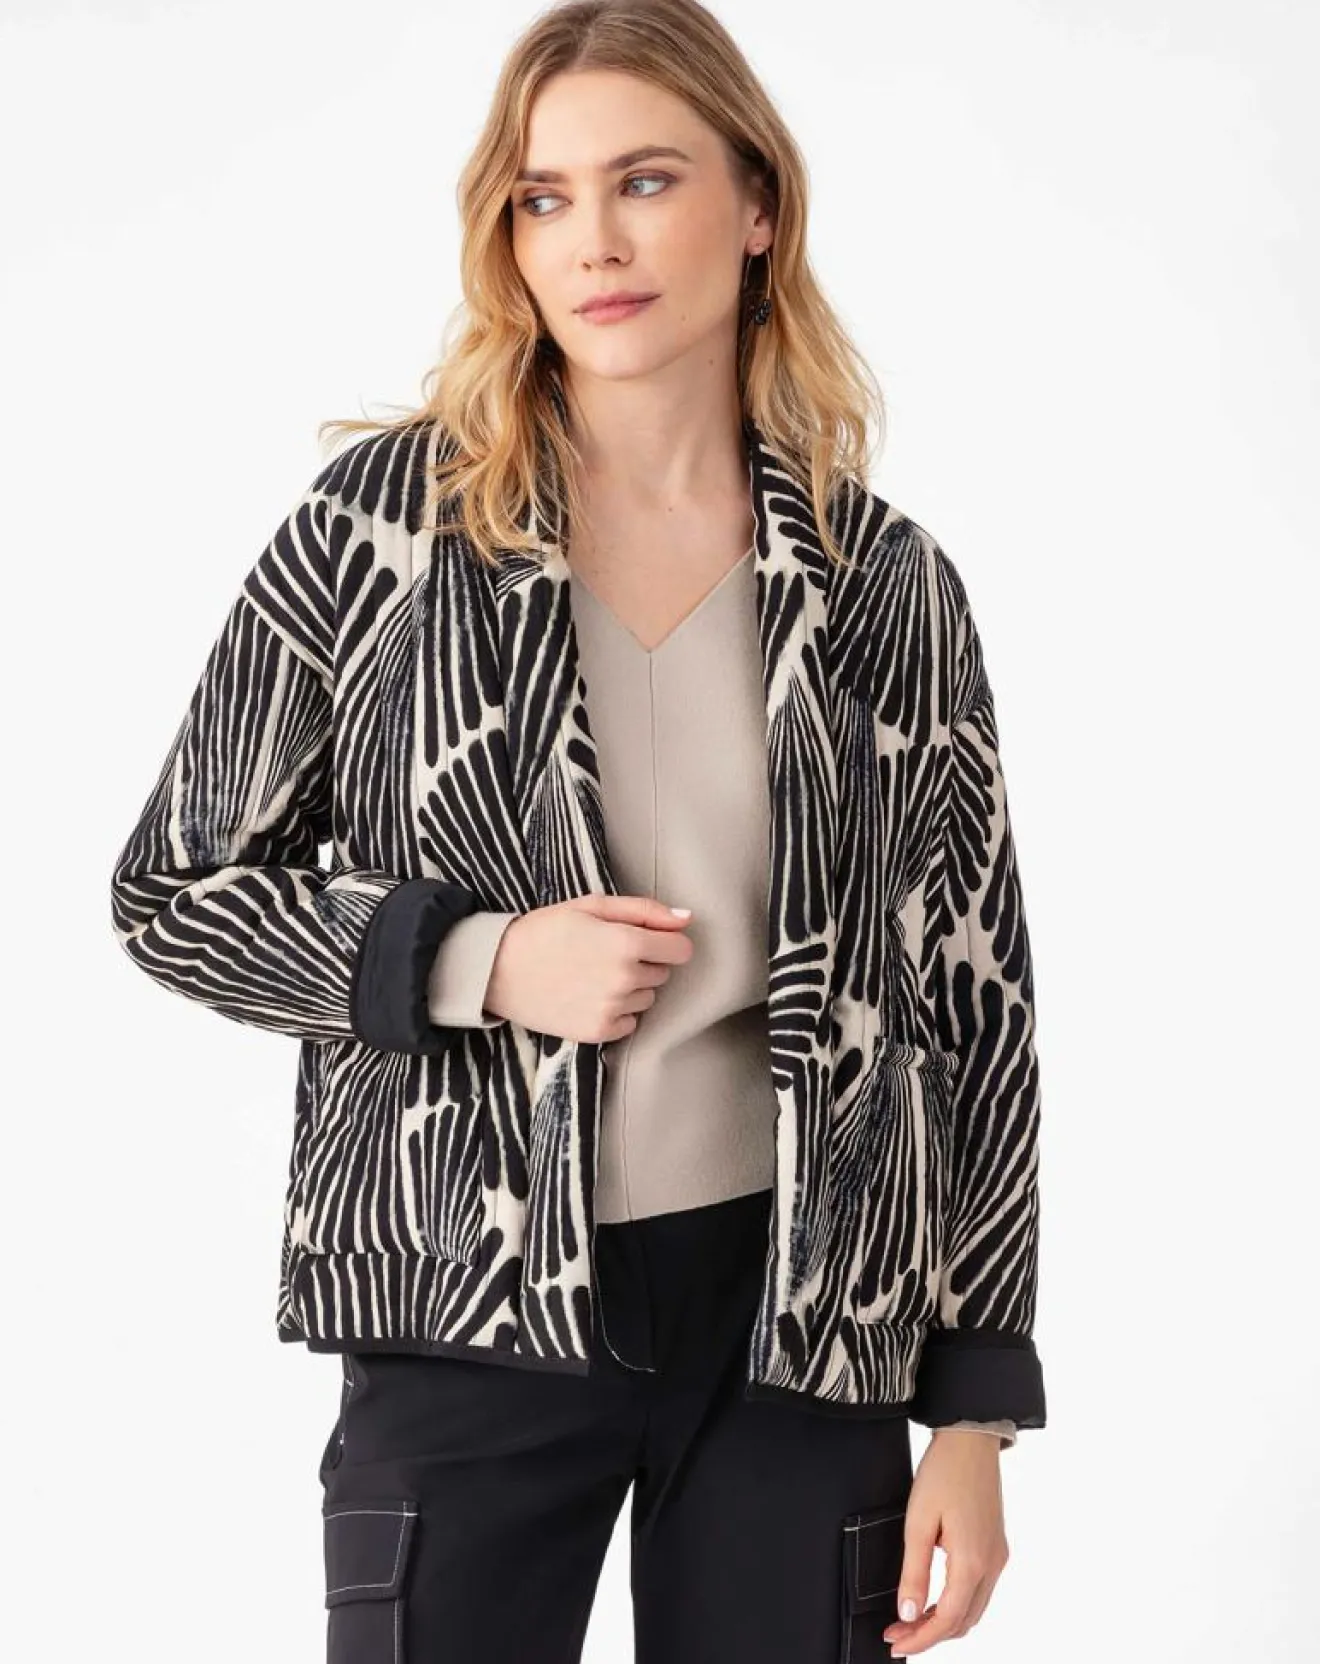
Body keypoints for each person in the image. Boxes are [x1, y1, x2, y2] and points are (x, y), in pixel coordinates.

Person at [109, 2, 1046, 1659]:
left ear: (757, 206)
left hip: (801, 1335)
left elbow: (975, 1007)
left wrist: (970, 1411)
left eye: (646, 180)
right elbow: (173, 893)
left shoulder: (885, 585)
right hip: (466, 1312)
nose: (594, 241)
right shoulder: (386, 533)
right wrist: (475, 960)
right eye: (544, 197)